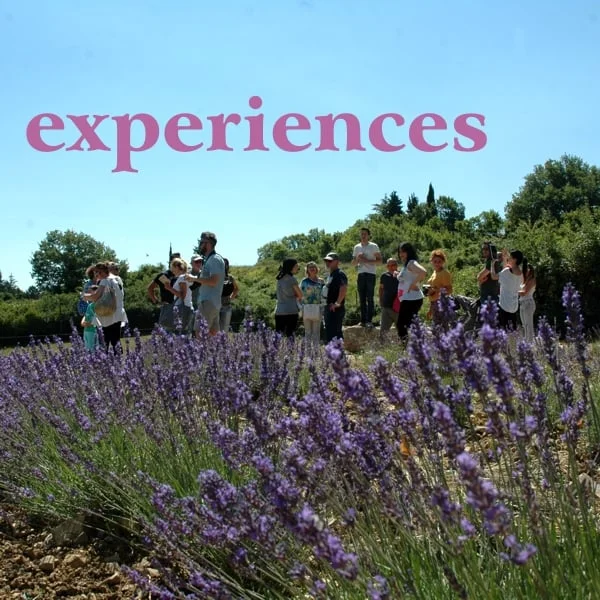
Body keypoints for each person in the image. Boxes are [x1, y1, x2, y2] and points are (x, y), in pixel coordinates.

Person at [186, 232, 225, 337]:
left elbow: (213, 281)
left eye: (201, 242)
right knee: (213, 336)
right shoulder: (211, 259)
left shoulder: (214, 259)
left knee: (200, 334)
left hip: (208, 303)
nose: (200, 245)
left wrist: (195, 278)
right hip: (212, 303)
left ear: (208, 244)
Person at [84, 262, 125, 354]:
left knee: (104, 341)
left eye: (96, 273)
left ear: (101, 272)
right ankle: (119, 362)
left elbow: (96, 296)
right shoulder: (117, 279)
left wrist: (85, 296)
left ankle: (103, 363)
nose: (95, 275)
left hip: (108, 313)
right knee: (116, 340)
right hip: (118, 312)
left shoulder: (104, 281)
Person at [395, 242, 427, 340]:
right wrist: (397, 274)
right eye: (400, 252)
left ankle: (408, 347)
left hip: (412, 298)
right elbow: (408, 277)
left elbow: (423, 272)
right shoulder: (406, 265)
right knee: (409, 323)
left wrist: (413, 284)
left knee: (401, 324)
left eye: (403, 251)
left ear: (409, 252)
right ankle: (417, 345)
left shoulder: (411, 263)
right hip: (408, 298)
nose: (401, 254)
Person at [351, 227, 382, 328]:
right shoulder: (357, 247)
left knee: (370, 298)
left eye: (365, 234)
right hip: (361, 274)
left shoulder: (374, 246)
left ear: (368, 235)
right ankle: (363, 320)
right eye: (361, 234)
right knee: (362, 298)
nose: (363, 236)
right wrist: (358, 258)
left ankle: (369, 320)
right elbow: (353, 264)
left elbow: (380, 261)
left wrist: (366, 261)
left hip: (370, 274)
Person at [490, 248, 526, 331]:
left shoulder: (506, 272)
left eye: (510, 257)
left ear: (515, 259)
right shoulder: (521, 274)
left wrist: (492, 265)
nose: (508, 258)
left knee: (501, 333)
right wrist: (505, 257)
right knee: (512, 334)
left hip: (503, 306)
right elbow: (508, 269)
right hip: (514, 308)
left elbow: (493, 276)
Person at [164, 258, 194, 334]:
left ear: (177, 267)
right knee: (186, 333)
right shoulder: (187, 276)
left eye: (172, 268)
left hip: (182, 309)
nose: (171, 270)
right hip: (187, 307)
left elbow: (182, 295)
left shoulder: (182, 278)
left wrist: (169, 288)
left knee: (180, 334)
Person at [323, 252, 348, 343]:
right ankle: (332, 355)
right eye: (326, 261)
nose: (327, 263)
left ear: (337, 262)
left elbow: (343, 288)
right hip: (329, 307)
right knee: (330, 332)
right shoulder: (331, 274)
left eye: (330, 261)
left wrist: (337, 303)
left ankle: (339, 355)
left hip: (336, 308)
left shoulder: (339, 274)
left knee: (335, 333)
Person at [274, 258, 303, 338]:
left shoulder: (279, 279)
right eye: (296, 266)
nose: (298, 268)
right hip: (291, 311)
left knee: (278, 336)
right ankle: (290, 351)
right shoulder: (292, 279)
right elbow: (300, 295)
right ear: (291, 267)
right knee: (290, 335)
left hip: (279, 311)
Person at [147, 261, 178, 332]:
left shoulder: (181, 275)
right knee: (166, 332)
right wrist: (156, 301)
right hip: (167, 305)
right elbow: (150, 288)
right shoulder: (164, 275)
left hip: (178, 305)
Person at [300, 261, 325, 347]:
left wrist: (323, 307)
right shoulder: (304, 281)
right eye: (310, 267)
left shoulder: (321, 281)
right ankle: (307, 351)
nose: (312, 269)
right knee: (308, 331)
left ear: (317, 269)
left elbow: (324, 295)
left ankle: (316, 351)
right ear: (307, 270)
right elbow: (299, 294)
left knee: (316, 331)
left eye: (314, 267)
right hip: (306, 307)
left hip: (318, 308)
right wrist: (300, 307)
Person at [426, 249, 453, 324]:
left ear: (443, 262)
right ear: (432, 261)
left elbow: (449, 290)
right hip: (434, 303)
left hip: (441, 303)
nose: (437, 264)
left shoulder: (444, 273)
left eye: (439, 261)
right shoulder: (435, 272)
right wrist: (430, 309)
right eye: (435, 261)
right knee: (437, 328)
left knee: (441, 328)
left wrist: (435, 290)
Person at [378, 257, 400, 340]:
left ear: (397, 265)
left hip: (398, 307)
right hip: (386, 306)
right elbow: (381, 288)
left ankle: (405, 349)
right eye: (389, 265)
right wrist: (380, 299)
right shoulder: (384, 276)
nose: (391, 267)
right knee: (383, 331)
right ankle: (382, 350)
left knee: (402, 331)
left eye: (393, 265)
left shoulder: (401, 275)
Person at [477, 242, 502, 307]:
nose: (484, 251)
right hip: (491, 295)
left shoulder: (491, 261)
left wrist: (480, 278)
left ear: (491, 250)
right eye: (483, 249)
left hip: (488, 297)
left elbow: (479, 277)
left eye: (486, 249)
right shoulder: (494, 260)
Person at [219, 258, 239, 332]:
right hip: (216, 305)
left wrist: (231, 297)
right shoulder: (215, 277)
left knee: (225, 328)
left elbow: (236, 288)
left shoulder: (230, 278)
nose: (224, 266)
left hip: (226, 305)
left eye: (226, 264)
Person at [519, 263, 537, 341]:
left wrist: (513, 290)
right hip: (522, 303)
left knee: (528, 325)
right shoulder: (524, 280)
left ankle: (530, 343)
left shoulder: (532, 280)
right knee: (524, 325)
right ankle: (526, 343)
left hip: (528, 303)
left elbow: (524, 292)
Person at [81, 285, 100, 351]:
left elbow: (99, 319)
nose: (89, 295)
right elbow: (86, 315)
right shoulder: (90, 305)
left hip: (93, 331)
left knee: (93, 350)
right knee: (87, 350)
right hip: (86, 330)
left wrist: (90, 324)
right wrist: (82, 321)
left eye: (91, 292)